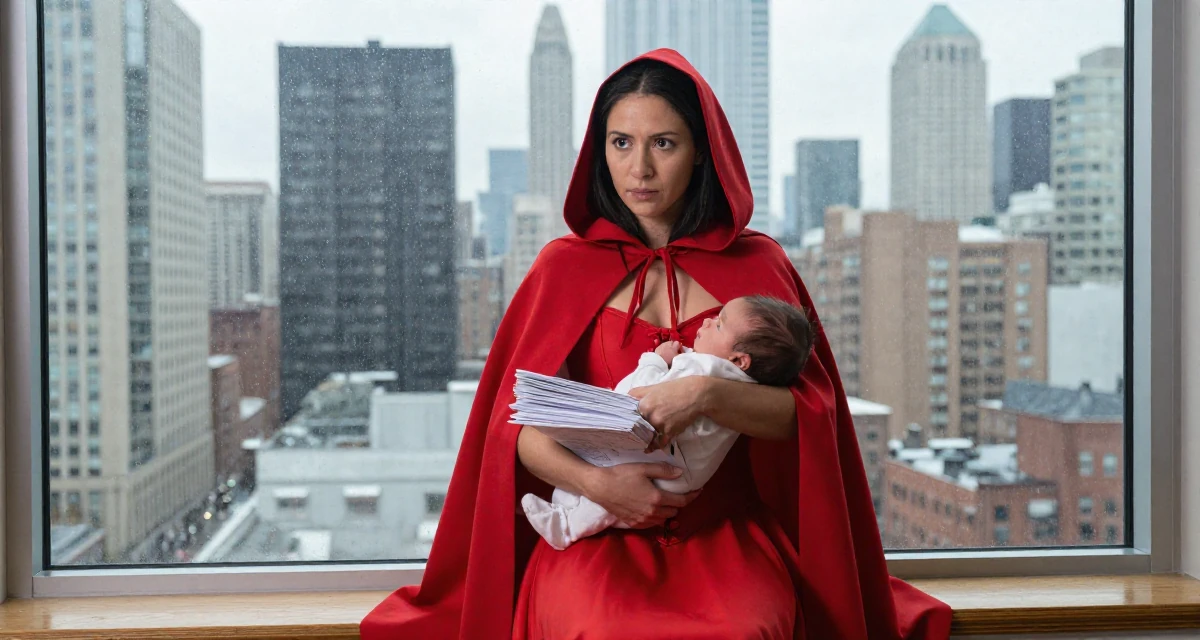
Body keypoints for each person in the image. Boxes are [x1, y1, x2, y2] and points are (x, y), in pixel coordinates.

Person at [361, 49, 952, 640]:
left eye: (663, 144)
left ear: (701, 152)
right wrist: (599, 487)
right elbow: (514, 432)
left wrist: (703, 395)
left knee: (743, 632)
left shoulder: (761, 264)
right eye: (621, 143)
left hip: (726, 537)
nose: (639, 168)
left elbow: (808, 420)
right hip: (593, 534)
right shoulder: (560, 269)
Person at [521, 295, 817, 551]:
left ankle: (568, 524)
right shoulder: (747, 377)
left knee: (602, 497)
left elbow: (641, 394)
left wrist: (654, 361)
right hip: (684, 482)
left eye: (718, 324)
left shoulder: (701, 366)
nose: (707, 322)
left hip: (665, 473)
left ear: (740, 360)